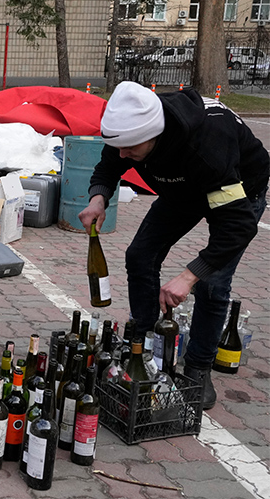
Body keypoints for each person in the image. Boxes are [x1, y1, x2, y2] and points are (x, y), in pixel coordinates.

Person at [78, 81, 269, 409]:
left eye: (130, 149)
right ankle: (144, 347)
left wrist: (189, 275)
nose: (123, 154)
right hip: (181, 190)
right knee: (140, 254)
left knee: (211, 283)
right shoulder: (129, 128)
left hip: (237, 189)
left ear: (154, 135)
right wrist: (98, 199)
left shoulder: (208, 146)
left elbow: (238, 227)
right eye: (119, 146)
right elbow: (110, 165)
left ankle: (198, 369)